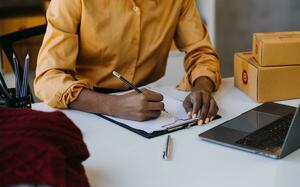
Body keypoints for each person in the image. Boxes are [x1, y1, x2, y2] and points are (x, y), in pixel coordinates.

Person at [34, 0, 221, 125]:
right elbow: (47, 78)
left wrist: (202, 87)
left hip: (151, 107)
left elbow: (201, 52)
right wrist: (113, 105)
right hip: (86, 107)